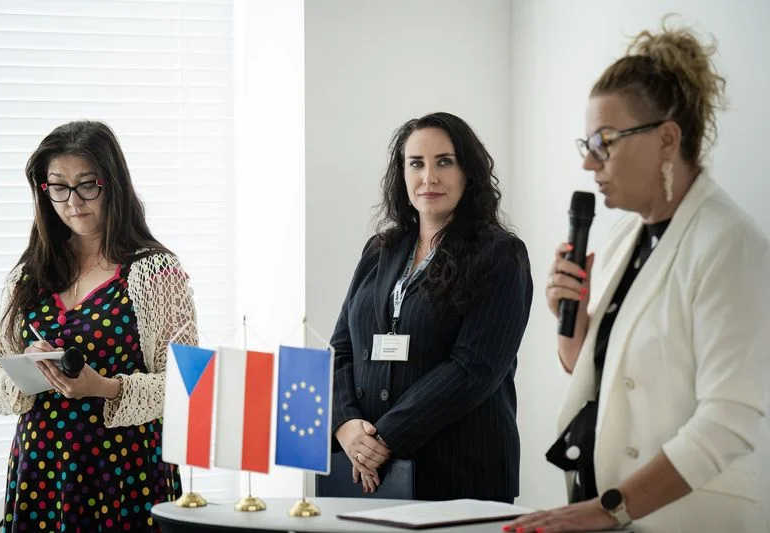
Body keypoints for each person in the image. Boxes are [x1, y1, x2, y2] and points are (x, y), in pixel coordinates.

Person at [508, 18, 770, 533]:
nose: (589, 162)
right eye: (586, 143)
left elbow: (728, 422)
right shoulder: (627, 238)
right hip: (612, 511)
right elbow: (607, 379)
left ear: (667, 138)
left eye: (604, 141)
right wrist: (575, 322)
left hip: (687, 518)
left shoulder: (730, 245)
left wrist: (611, 507)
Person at [0, 121, 198, 532]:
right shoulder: (30, 274)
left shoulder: (154, 271)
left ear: (112, 183)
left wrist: (102, 387)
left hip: (124, 471)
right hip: (42, 470)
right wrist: (27, 372)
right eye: (58, 187)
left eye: (87, 185)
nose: (73, 202)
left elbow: (184, 385)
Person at [328, 112, 533, 502]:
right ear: (401, 174)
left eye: (444, 162)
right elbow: (341, 349)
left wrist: (385, 438)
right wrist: (346, 425)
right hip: (368, 474)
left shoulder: (501, 255)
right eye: (416, 164)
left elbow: (474, 368)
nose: (429, 178)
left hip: (460, 475)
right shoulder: (380, 251)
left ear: (468, 171)